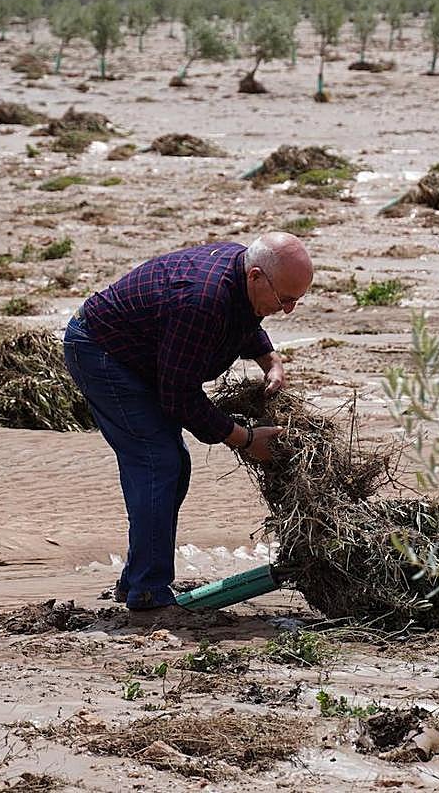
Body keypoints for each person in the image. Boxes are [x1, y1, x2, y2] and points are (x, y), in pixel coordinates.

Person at [62, 232, 314, 614]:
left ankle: (137, 579)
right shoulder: (200, 300)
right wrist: (245, 439)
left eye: (298, 300)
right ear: (257, 276)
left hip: (146, 354)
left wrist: (269, 358)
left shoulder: (241, 273)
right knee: (158, 461)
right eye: (285, 300)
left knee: (172, 465)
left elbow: (246, 316)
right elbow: (178, 395)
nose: (289, 309)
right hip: (103, 353)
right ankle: (148, 591)